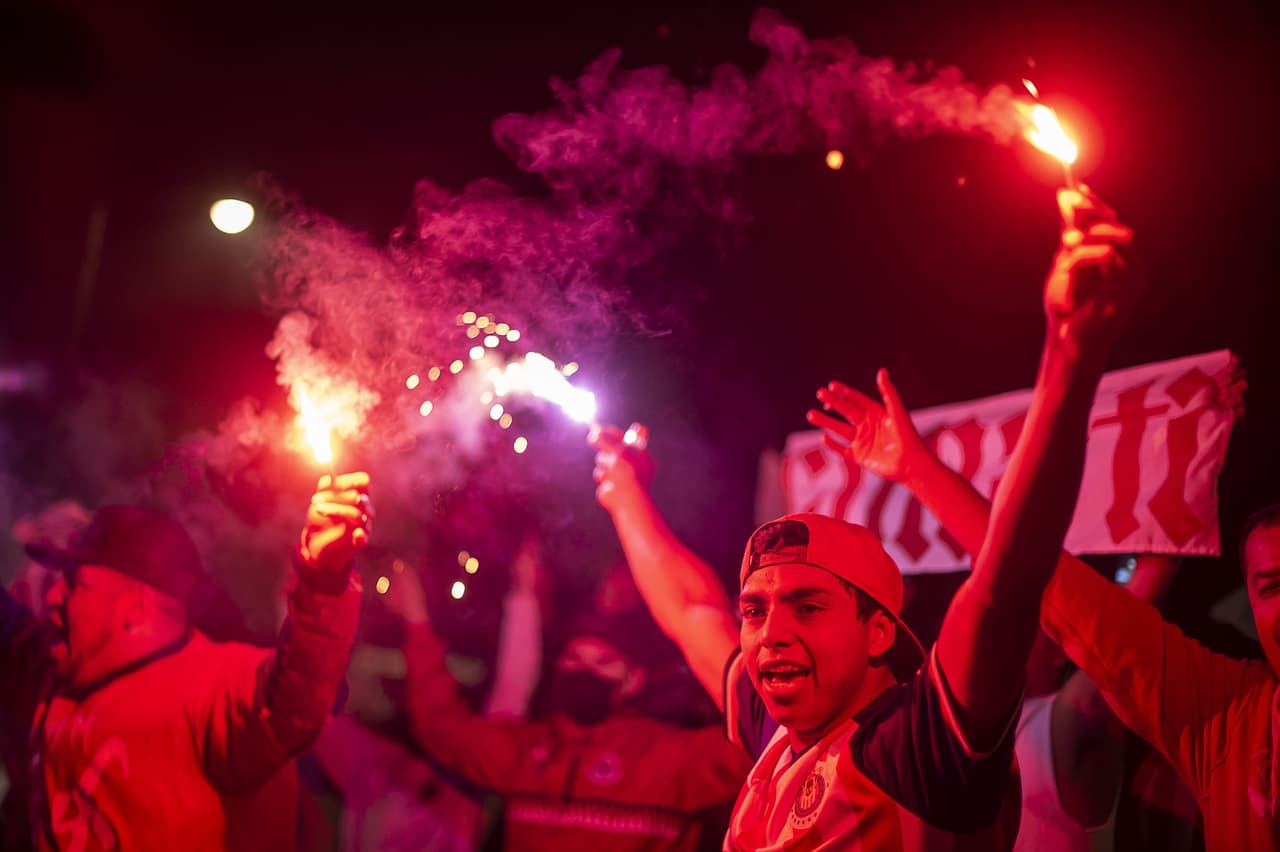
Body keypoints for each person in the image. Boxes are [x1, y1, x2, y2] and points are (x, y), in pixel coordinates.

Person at [592, 185, 1143, 849]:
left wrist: (1070, 356)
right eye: (756, 610)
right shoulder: (775, 732)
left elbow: (1009, 581)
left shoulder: (918, 747)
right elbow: (690, 609)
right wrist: (624, 492)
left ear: (879, 630)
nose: (770, 634)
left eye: (808, 607)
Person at [810, 297, 1269, 846]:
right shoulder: (1233, 717)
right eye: (1271, 587)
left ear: (1067, 650)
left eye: (1026, 611)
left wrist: (1187, 453)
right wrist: (913, 469)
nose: (997, 614)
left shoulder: (1069, 722)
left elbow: (1083, 597)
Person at [0, 472, 372, 851]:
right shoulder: (54, 672)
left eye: (74, 584)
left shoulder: (212, 689)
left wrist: (324, 579)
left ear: (135, 608)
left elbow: (296, 696)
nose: (53, 596)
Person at [384, 558, 751, 851]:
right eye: (574, 658)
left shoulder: (668, 758)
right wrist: (415, 618)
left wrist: (742, 642)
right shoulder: (530, 751)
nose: (583, 671)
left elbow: (758, 739)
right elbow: (441, 727)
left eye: (602, 662)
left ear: (634, 680)